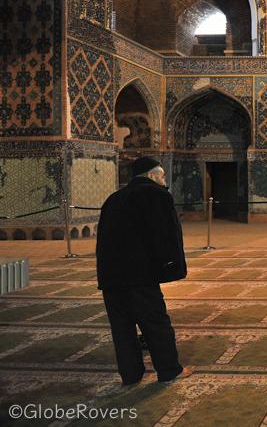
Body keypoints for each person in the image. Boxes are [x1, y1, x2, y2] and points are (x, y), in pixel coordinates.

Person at [96, 156, 192, 386]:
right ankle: (169, 370)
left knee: (122, 329)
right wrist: (171, 268)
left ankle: (131, 375)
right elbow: (165, 236)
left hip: (110, 277)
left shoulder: (113, 199)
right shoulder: (158, 196)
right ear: (152, 175)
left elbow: (102, 240)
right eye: (162, 175)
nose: (164, 180)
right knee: (155, 323)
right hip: (139, 276)